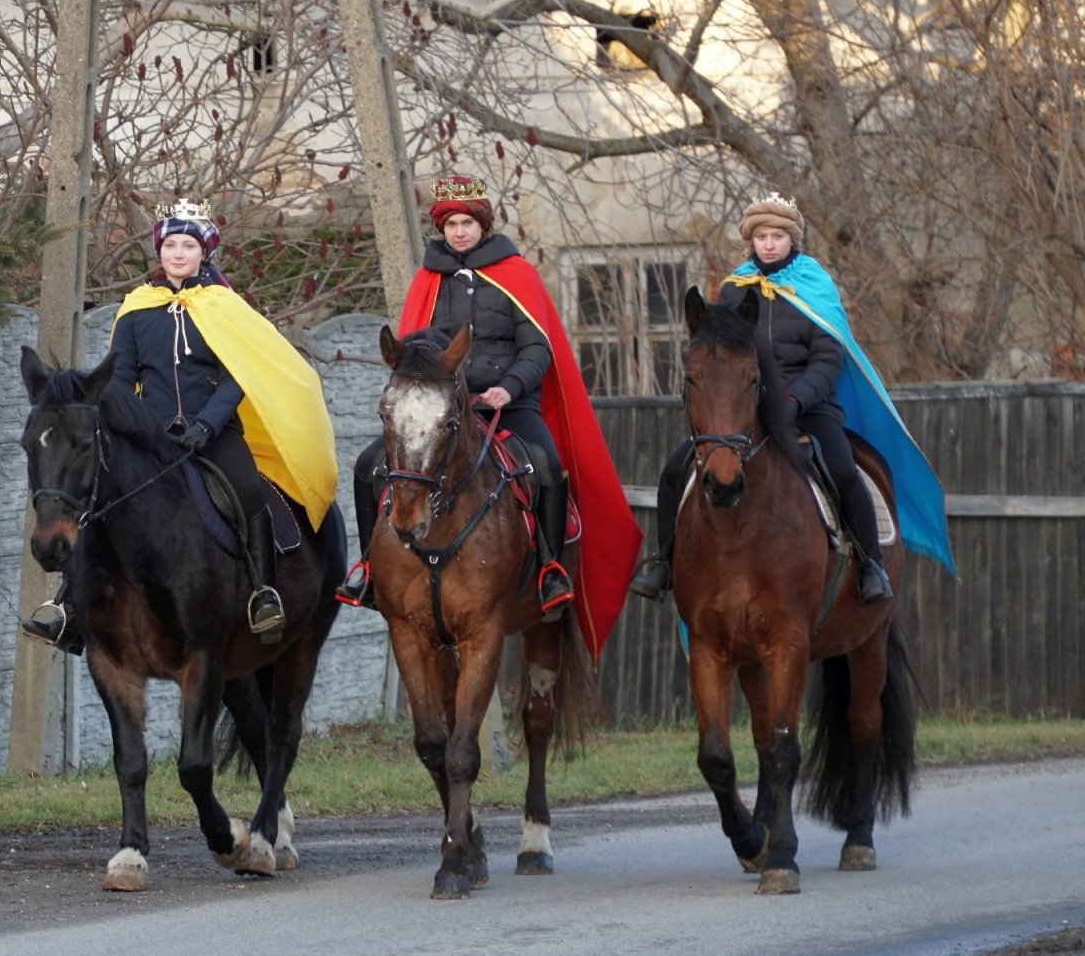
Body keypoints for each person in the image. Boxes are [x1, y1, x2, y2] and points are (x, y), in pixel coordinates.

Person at [337, 175, 642, 657]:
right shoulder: (428, 280)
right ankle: (368, 570)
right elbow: (419, 349)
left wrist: (510, 388)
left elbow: (538, 348)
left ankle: (549, 571)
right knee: (367, 465)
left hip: (508, 403)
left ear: (483, 225)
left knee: (545, 465)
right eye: (452, 223)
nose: (460, 232)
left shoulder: (517, 273)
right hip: (444, 406)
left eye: (468, 223)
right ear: (442, 228)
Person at [20, 199, 338, 654]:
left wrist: (207, 427)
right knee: (98, 495)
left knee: (248, 490)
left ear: (203, 252)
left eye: (188, 244)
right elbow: (123, 377)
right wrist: (135, 425)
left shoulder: (224, 307)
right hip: (153, 436)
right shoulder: (135, 308)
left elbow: (237, 378)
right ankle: (70, 608)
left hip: (215, 433)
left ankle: (263, 594)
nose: (178, 253)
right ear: (160, 251)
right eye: (170, 244)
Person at [628, 191, 957, 604]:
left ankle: (871, 564)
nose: (769, 244)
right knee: (674, 471)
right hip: (744, 412)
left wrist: (793, 400)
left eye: (777, 236)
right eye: (762, 236)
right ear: (751, 241)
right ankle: (663, 562)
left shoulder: (815, 287)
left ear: (792, 240)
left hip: (807, 408)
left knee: (842, 470)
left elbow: (827, 358)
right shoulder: (733, 289)